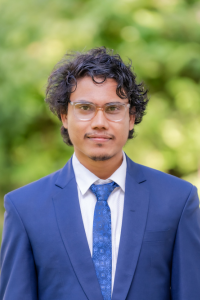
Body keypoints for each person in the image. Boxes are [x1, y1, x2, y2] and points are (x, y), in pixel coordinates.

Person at [0, 47, 200, 300]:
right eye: (85, 108)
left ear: (131, 117)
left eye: (113, 108)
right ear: (64, 116)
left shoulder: (178, 200)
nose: (99, 122)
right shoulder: (24, 207)